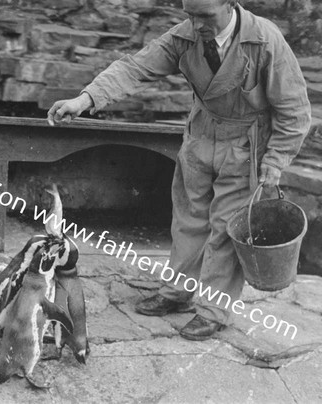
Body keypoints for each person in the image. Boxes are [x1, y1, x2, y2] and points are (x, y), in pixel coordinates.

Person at [47, 0, 311, 340]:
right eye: (190, 14)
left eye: (205, 16)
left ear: (230, 5)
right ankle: (177, 291)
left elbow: (295, 111)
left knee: (225, 229)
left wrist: (275, 161)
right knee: (189, 219)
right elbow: (135, 68)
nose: (197, 24)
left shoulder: (265, 40)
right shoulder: (185, 36)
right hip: (199, 138)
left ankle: (213, 309)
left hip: (246, 146)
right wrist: (84, 100)